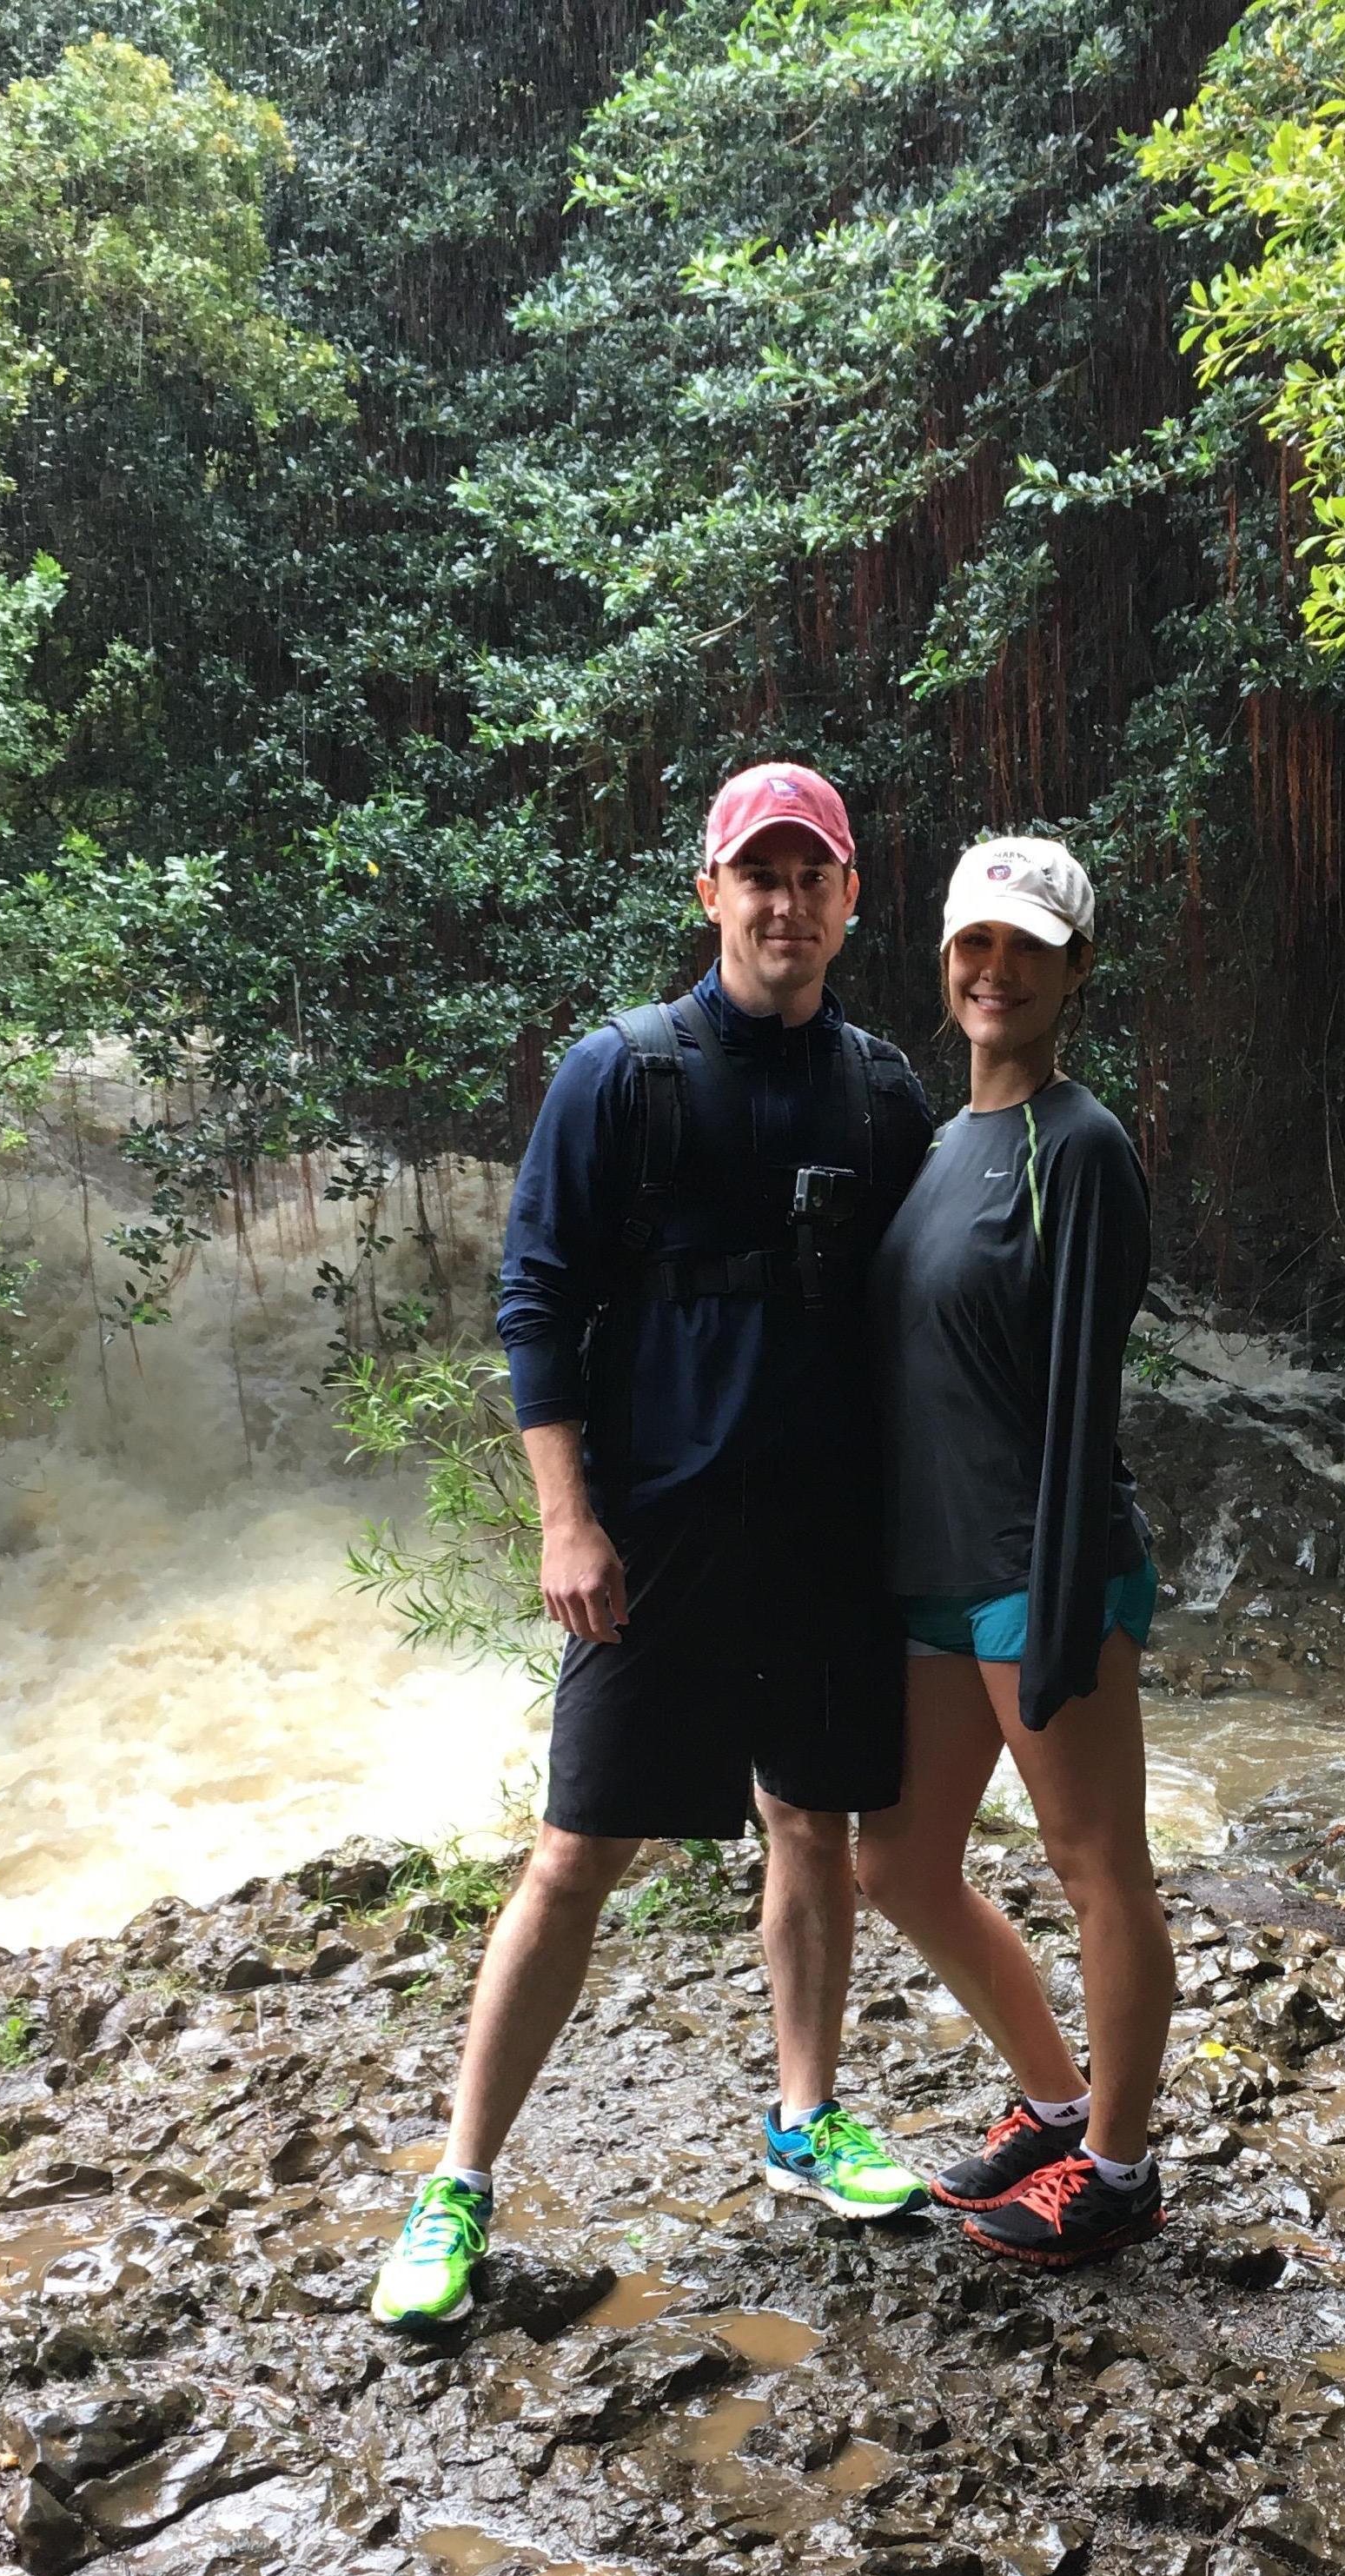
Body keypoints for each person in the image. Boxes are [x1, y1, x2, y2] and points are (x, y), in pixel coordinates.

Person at [370, 761, 937, 2332]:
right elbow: (536, 1301)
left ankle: (803, 2120)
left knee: (810, 1827)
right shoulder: (620, 1077)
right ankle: (460, 2180)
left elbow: (925, 1310)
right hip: (657, 1538)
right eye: (755, 876)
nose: (782, 901)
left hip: (825, 1538)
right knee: (572, 1857)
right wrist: (565, 1514)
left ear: (847, 900)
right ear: (708, 895)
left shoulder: (885, 1091)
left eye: (809, 875)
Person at [856, 838, 1176, 2268]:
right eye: (975, 945)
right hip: (931, 1569)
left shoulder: (1081, 1146)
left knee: (1096, 1861)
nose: (996, 971)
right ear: (944, 960)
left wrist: (1052, 1610)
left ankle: (1115, 2163)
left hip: (1040, 1568)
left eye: (1027, 950)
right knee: (901, 1862)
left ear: (1074, 970)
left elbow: (1077, 1393)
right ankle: (1052, 2098)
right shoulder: (932, 1144)